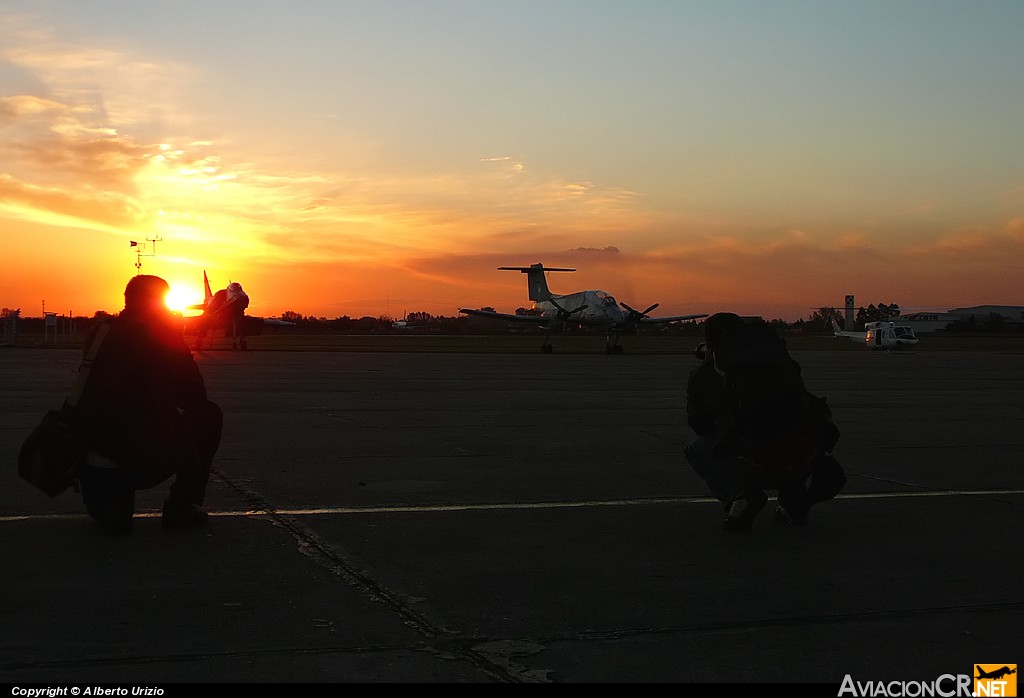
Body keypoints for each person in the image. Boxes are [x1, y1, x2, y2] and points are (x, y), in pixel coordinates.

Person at [74, 275, 223, 534]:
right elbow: (194, 395)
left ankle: (110, 503)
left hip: (91, 458)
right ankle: (180, 509)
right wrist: (177, 341)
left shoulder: (100, 331)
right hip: (138, 454)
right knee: (209, 415)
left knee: (113, 518)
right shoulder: (160, 336)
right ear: (158, 304)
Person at [685, 312, 844, 530]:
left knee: (697, 448)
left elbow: (699, 424)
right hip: (804, 456)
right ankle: (794, 504)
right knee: (787, 435)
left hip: (756, 460)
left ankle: (739, 499)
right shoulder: (778, 359)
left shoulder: (707, 372)